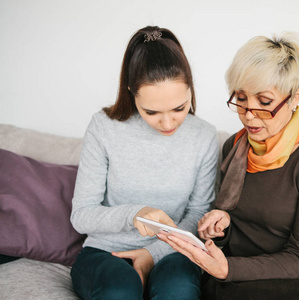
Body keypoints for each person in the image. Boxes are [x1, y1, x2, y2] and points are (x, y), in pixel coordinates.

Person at [159, 32, 299, 300]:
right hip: (244, 270)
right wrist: (220, 228)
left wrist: (227, 268)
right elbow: (235, 228)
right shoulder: (235, 147)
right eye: (241, 98)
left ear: (295, 97)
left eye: (265, 102)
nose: (248, 114)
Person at [70, 26, 219, 300]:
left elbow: (198, 214)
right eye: (151, 112)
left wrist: (153, 254)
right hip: (105, 252)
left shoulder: (204, 136)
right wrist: (136, 214)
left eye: (179, 108)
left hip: (174, 251)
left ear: (190, 90)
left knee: (179, 291)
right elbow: (81, 215)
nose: (167, 123)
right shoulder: (104, 127)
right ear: (130, 92)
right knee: (119, 291)